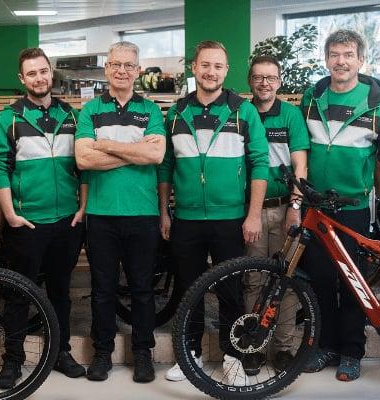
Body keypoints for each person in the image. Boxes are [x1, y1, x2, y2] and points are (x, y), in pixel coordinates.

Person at [299, 29, 380, 382]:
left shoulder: (377, 102)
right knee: (320, 280)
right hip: (316, 207)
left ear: (360, 60)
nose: (340, 61)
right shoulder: (312, 97)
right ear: (326, 59)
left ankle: (352, 352)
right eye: (334, 54)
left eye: (348, 55)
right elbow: (300, 147)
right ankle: (325, 345)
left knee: (352, 282)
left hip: (353, 207)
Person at [158, 41, 270, 383]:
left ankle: (233, 356)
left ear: (226, 70)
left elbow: (260, 163)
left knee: (230, 291)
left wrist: (252, 215)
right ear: (194, 67)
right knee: (187, 290)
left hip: (230, 219)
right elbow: (165, 166)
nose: (211, 72)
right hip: (187, 219)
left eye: (218, 66)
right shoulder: (176, 112)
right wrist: (164, 212)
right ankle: (188, 354)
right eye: (205, 65)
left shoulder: (243, 111)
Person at [0, 48, 87, 389]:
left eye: (43, 71)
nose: (39, 78)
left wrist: (82, 207)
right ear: (22, 79)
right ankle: (12, 361)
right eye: (32, 73)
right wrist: (12, 215)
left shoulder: (71, 115)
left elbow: (83, 165)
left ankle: (60, 353)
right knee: (19, 294)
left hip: (66, 223)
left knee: (60, 292)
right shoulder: (9, 118)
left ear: (51, 73)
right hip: (27, 224)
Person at [74, 41, 165, 383]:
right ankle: (102, 354)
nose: (122, 71)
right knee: (102, 289)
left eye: (129, 65)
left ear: (138, 71)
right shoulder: (89, 110)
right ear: (107, 69)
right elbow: (83, 159)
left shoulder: (151, 111)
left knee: (143, 289)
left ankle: (143, 353)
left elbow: (155, 157)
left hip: (142, 213)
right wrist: (134, 150)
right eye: (116, 65)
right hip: (101, 213)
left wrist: (106, 145)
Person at [240, 54, 310, 374]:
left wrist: (295, 207)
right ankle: (253, 346)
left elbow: (301, 165)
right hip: (253, 210)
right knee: (254, 281)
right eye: (258, 77)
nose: (265, 83)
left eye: (271, 77)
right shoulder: (240, 113)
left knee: (287, 281)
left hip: (285, 209)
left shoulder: (291, 115)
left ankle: (283, 348)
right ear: (250, 81)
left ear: (279, 81)